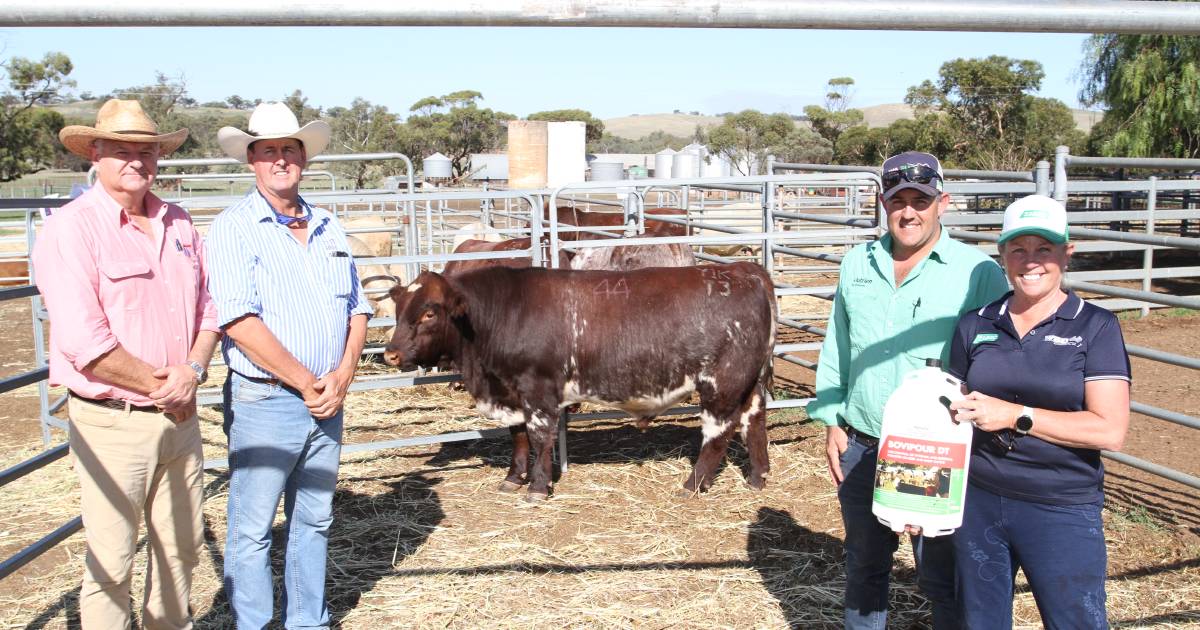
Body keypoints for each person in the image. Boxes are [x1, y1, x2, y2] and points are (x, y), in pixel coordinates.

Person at [31, 99, 220, 629]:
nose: (136, 161)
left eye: (147, 150)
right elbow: (84, 341)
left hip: (178, 417)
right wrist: (169, 386)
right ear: (95, 153)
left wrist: (194, 372)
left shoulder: (179, 221)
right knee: (112, 561)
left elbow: (210, 306)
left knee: (180, 551)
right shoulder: (72, 229)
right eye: (121, 150)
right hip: (112, 420)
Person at [808, 151, 1010, 629]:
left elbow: (997, 359)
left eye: (921, 199)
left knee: (941, 573)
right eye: (898, 200)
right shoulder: (858, 262)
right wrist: (834, 419)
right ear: (882, 203)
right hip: (863, 439)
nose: (909, 212)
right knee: (864, 566)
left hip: (935, 448)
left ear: (944, 201)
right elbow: (839, 344)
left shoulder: (977, 272)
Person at [206, 101, 371, 629]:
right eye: (269, 151)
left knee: (314, 518)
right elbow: (238, 320)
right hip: (268, 399)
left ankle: (309, 621)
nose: (281, 160)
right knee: (253, 527)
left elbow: (357, 306)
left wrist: (343, 372)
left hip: (328, 397)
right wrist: (306, 381)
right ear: (251, 161)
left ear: (304, 158)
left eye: (290, 150)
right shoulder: (234, 228)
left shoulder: (328, 224)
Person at [947, 194, 1131, 629]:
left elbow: (1109, 430)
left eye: (1044, 249)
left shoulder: (1095, 326)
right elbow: (948, 412)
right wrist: (921, 498)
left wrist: (1015, 415)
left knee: (1075, 621)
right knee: (980, 621)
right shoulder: (976, 323)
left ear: (1067, 253)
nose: (1031, 262)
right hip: (978, 500)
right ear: (1002, 255)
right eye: (1019, 249)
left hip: (1060, 505)